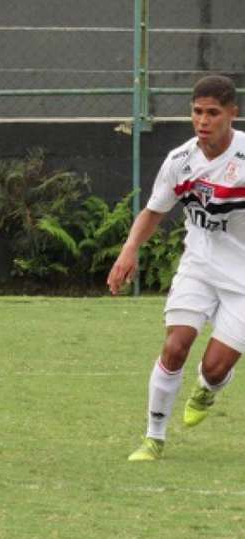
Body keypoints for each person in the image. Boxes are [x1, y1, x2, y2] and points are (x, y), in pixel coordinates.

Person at [108, 75, 245, 461]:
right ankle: (154, 438)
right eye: (197, 112)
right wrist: (128, 250)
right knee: (174, 346)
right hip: (198, 268)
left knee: (214, 368)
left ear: (232, 114)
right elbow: (153, 211)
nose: (203, 121)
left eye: (213, 113)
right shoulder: (180, 161)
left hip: (243, 279)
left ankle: (209, 387)